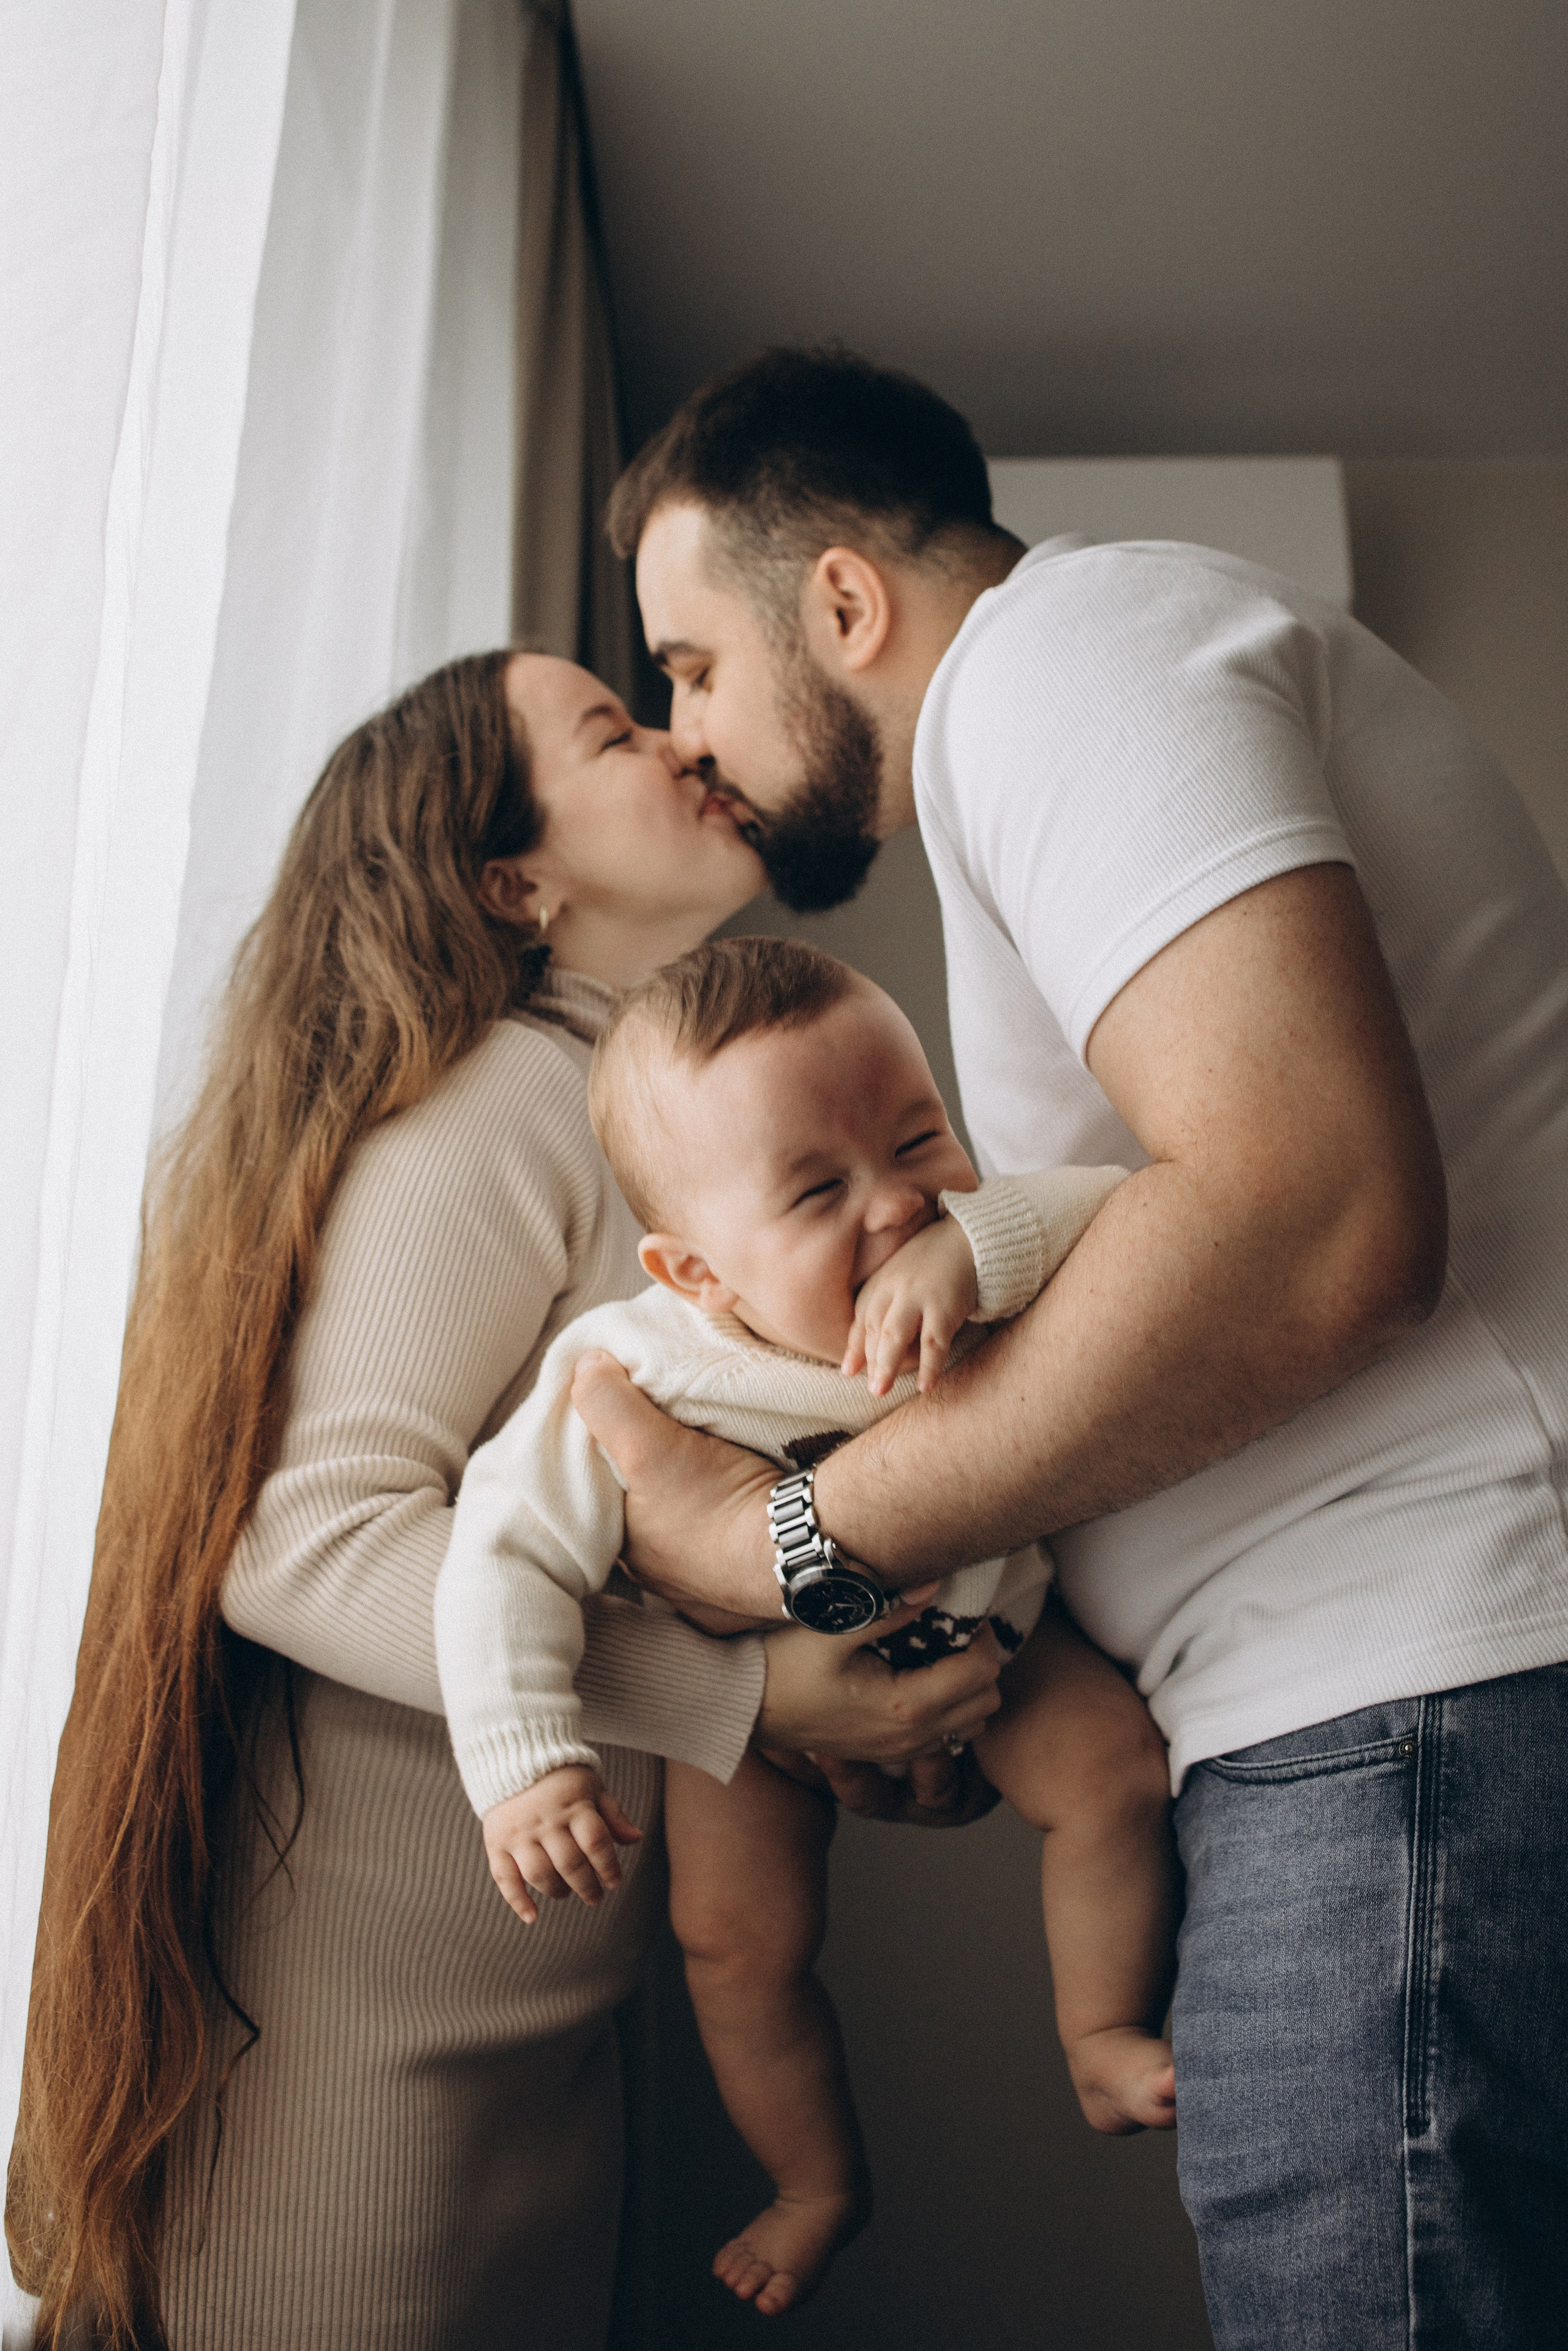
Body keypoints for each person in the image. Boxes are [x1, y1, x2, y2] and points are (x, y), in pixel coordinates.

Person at [565, 349, 1568, 2349]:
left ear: (842, 603)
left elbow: (1312, 1214)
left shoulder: (1063, 658)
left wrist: (794, 1543)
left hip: (1424, 1696)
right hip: (1398, 1719)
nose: (688, 738)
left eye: (689, 665)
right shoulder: (1060, 710)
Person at [8, 651, 1005, 2351]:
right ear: (513, 880)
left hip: (530, 2012)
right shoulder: (501, 1102)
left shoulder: (642, 1123)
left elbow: (642, 1532)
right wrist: (745, 1694)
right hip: (351, 2033)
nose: (691, 739)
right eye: (618, 730)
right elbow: (297, 1536)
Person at [435, 935, 1178, 2315]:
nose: (896, 1203)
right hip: (743, 1704)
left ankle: (1097, 2029)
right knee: (736, 1942)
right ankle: (814, 2180)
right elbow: (500, 1555)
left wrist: (978, 1240)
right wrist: (528, 1759)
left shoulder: (965, 1243)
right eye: (818, 1189)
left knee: (1114, 1770)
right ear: (697, 1270)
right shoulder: (636, 1363)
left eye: (917, 1137)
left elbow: (1127, 1209)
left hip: (996, 1654)